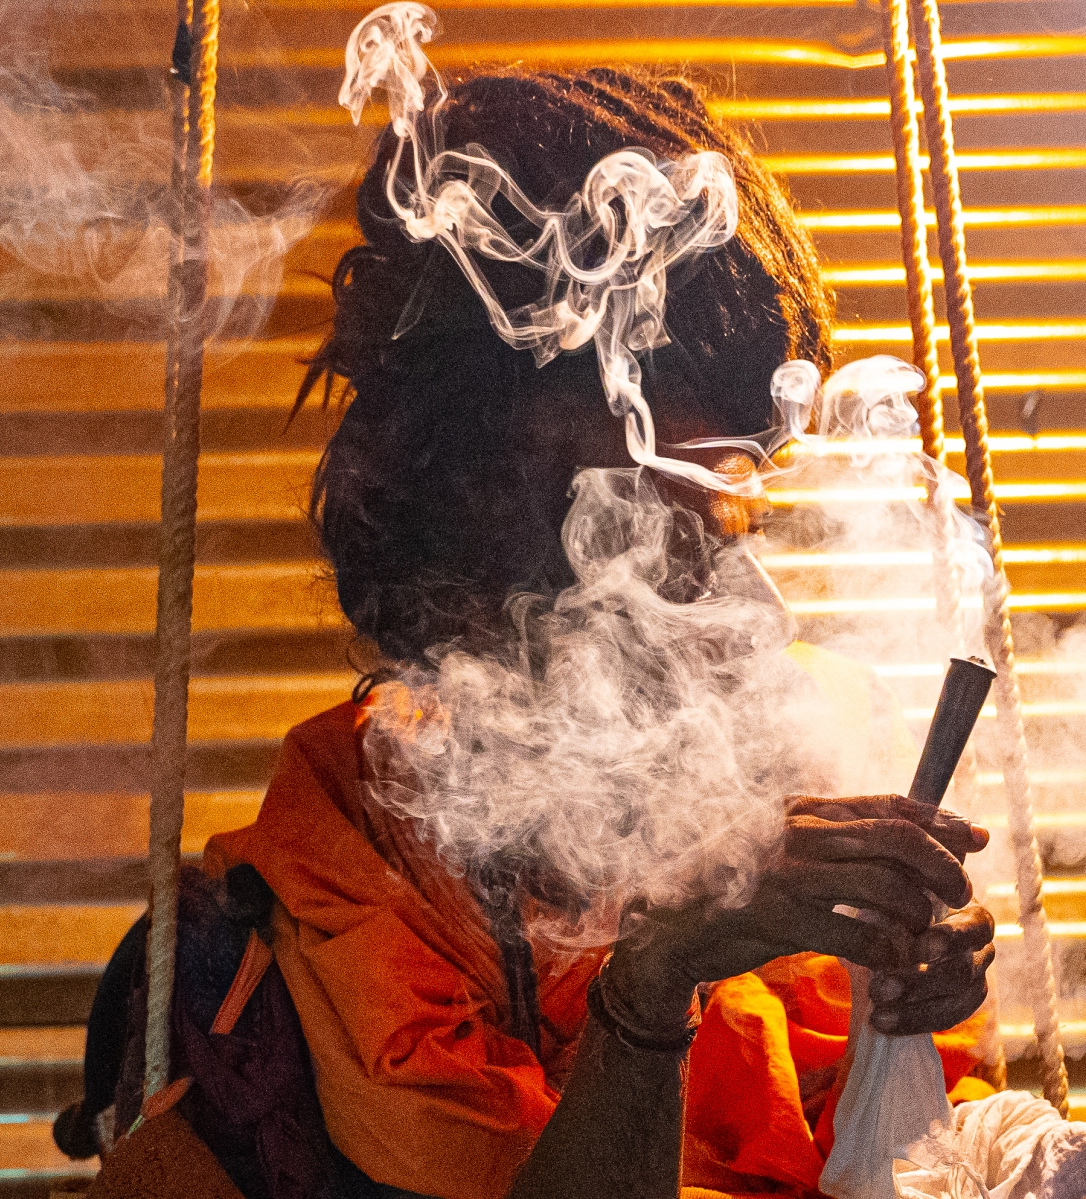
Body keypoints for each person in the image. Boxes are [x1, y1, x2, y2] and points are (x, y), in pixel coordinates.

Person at [203, 67, 999, 1199]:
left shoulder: (818, 747)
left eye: (743, 526)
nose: (756, 611)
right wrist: (656, 976)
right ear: (495, 538)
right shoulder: (360, 843)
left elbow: (902, 1152)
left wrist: (904, 1020)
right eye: (672, 540)